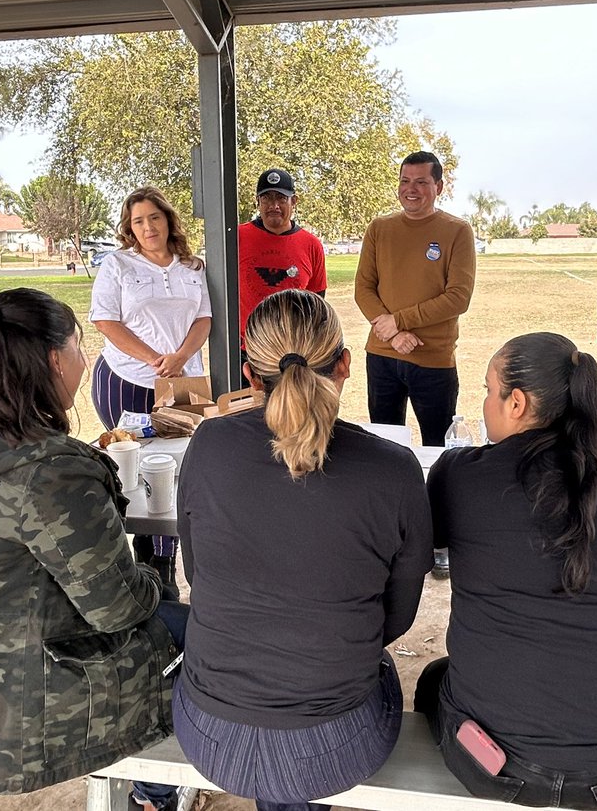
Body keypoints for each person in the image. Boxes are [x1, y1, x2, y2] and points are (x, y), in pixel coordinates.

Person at [0, 288, 186, 810]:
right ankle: (156, 793)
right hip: (13, 727)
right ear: (55, 359)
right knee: (204, 636)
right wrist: (156, 567)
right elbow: (119, 607)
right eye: (79, 347)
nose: (84, 359)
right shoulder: (50, 471)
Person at [173, 289, 432, 811]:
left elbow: (199, 577)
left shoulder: (209, 445)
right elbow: (396, 618)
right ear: (345, 364)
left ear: (249, 375)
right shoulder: (393, 469)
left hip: (211, 736)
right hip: (337, 746)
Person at [416, 333, 597, 810]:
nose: (486, 402)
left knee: (433, 680)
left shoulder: (459, 474)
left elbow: (427, 549)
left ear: (516, 402)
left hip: (498, 770)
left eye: (489, 391)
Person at [355, 150, 475, 578]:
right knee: (385, 452)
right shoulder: (380, 228)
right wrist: (392, 333)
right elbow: (364, 289)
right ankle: (389, 538)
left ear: (439, 187)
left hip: (434, 361)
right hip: (383, 358)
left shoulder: (457, 231)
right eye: (406, 180)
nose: (411, 189)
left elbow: (458, 296)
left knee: (437, 455)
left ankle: (439, 541)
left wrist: (401, 322)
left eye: (421, 182)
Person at [89, 186, 211, 598]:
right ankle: (142, 572)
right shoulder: (118, 264)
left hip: (182, 385)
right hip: (127, 382)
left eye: (153, 218)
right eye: (138, 221)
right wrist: (156, 359)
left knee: (175, 470)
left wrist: (178, 359)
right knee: (133, 471)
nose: (147, 227)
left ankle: (163, 563)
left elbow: (204, 319)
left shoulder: (192, 266)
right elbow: (106, 321)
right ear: (130, 227)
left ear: (167, 219)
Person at [237, 168, 327, 352]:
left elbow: (316, 302)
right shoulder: (238, 237)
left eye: (281, 198)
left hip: (291, 351)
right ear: (258, 202)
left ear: (294, 201)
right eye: (266, 198)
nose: (274, 205)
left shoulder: (311, 245)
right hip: (246, 350)